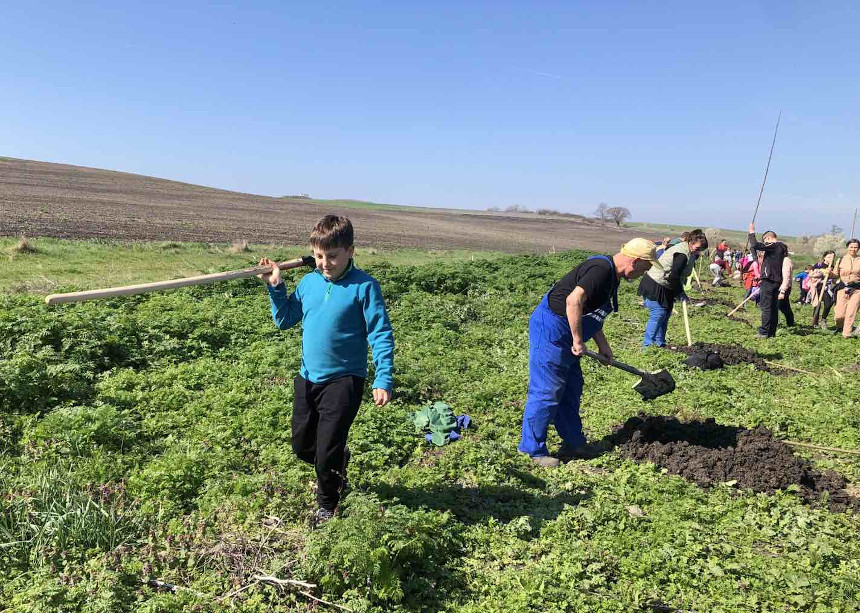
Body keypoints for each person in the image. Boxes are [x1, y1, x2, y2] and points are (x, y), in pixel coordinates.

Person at [258, 215, 394, 525]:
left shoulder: (364, 288)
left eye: (332, 256)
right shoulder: (308, 283)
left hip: (344, 380)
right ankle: (336, 461)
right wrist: (276, 288)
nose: (325, 264)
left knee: (326, 450)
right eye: (319, 256)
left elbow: (381, 333)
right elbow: (284, 320)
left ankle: (327, 503)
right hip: (307, 378)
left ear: (351, 251)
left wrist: (383, 377)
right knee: (302, 446)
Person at [518, 238, 661, 467]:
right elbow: (573, 301)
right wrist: (577, 339)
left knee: (572, 388)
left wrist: (602, 344)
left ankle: (574, 443)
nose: (644, 274)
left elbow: (592, 313)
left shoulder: (612, 276)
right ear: (635, 261)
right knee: (548, 390)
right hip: (552, 329)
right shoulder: (601, 270)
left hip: (569, 330)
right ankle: (531, 450)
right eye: (646, 268)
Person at [638, 229, 708, 347]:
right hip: (655, 283)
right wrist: (681, 293)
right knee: (658, 313)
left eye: (701, 250)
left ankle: (660, 343)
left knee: (666, 313)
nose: (699, 252)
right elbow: (674, 276)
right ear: (691, 243)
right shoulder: (682, 254)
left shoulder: (688, 251)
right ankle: (647, 346)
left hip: (666, 285)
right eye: (698, 248)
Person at [748, 223, 788, 338]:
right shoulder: (781, 248)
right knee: (773, 307)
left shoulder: (775, 246)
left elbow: (756, 245)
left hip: (769, 280)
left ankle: (764, 332)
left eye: (765, 241)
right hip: (776, 281)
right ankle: (771, 332)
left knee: (765, 307)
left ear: (768, 238)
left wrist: (751, 232)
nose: (765, 244)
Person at [833, 238, 860, 338]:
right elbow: (835, 274)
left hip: (857, 290)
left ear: (858, 249)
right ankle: (840, 326)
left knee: (851, 313)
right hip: (842, 289)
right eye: (851, 247)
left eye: (856, 247)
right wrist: (829, 273)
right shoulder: (841, 260)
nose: (853, 249)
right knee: (839, 315)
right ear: (847, 247)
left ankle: (846, 334)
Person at [809, 251, 837, 328]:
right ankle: (815, 322)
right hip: (818, 286)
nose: (830, 259)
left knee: (828, 303)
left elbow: (835, 277)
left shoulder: (833, 267)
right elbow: (813, 274)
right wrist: (823, 272)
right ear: (824, 257)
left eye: (832, 257)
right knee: (817, 304)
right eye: (829, 257)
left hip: (827, 288)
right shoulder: (819, 264)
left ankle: (823, 318)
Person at [777, 256, 795, 327]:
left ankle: (773, 325)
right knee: (784, 307)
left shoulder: (786, 260)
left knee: (777, 306)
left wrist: (783, 291)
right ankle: (790, 323)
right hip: (778, 286)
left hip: (783, 287)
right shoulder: (777, 258)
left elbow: (787, 277)